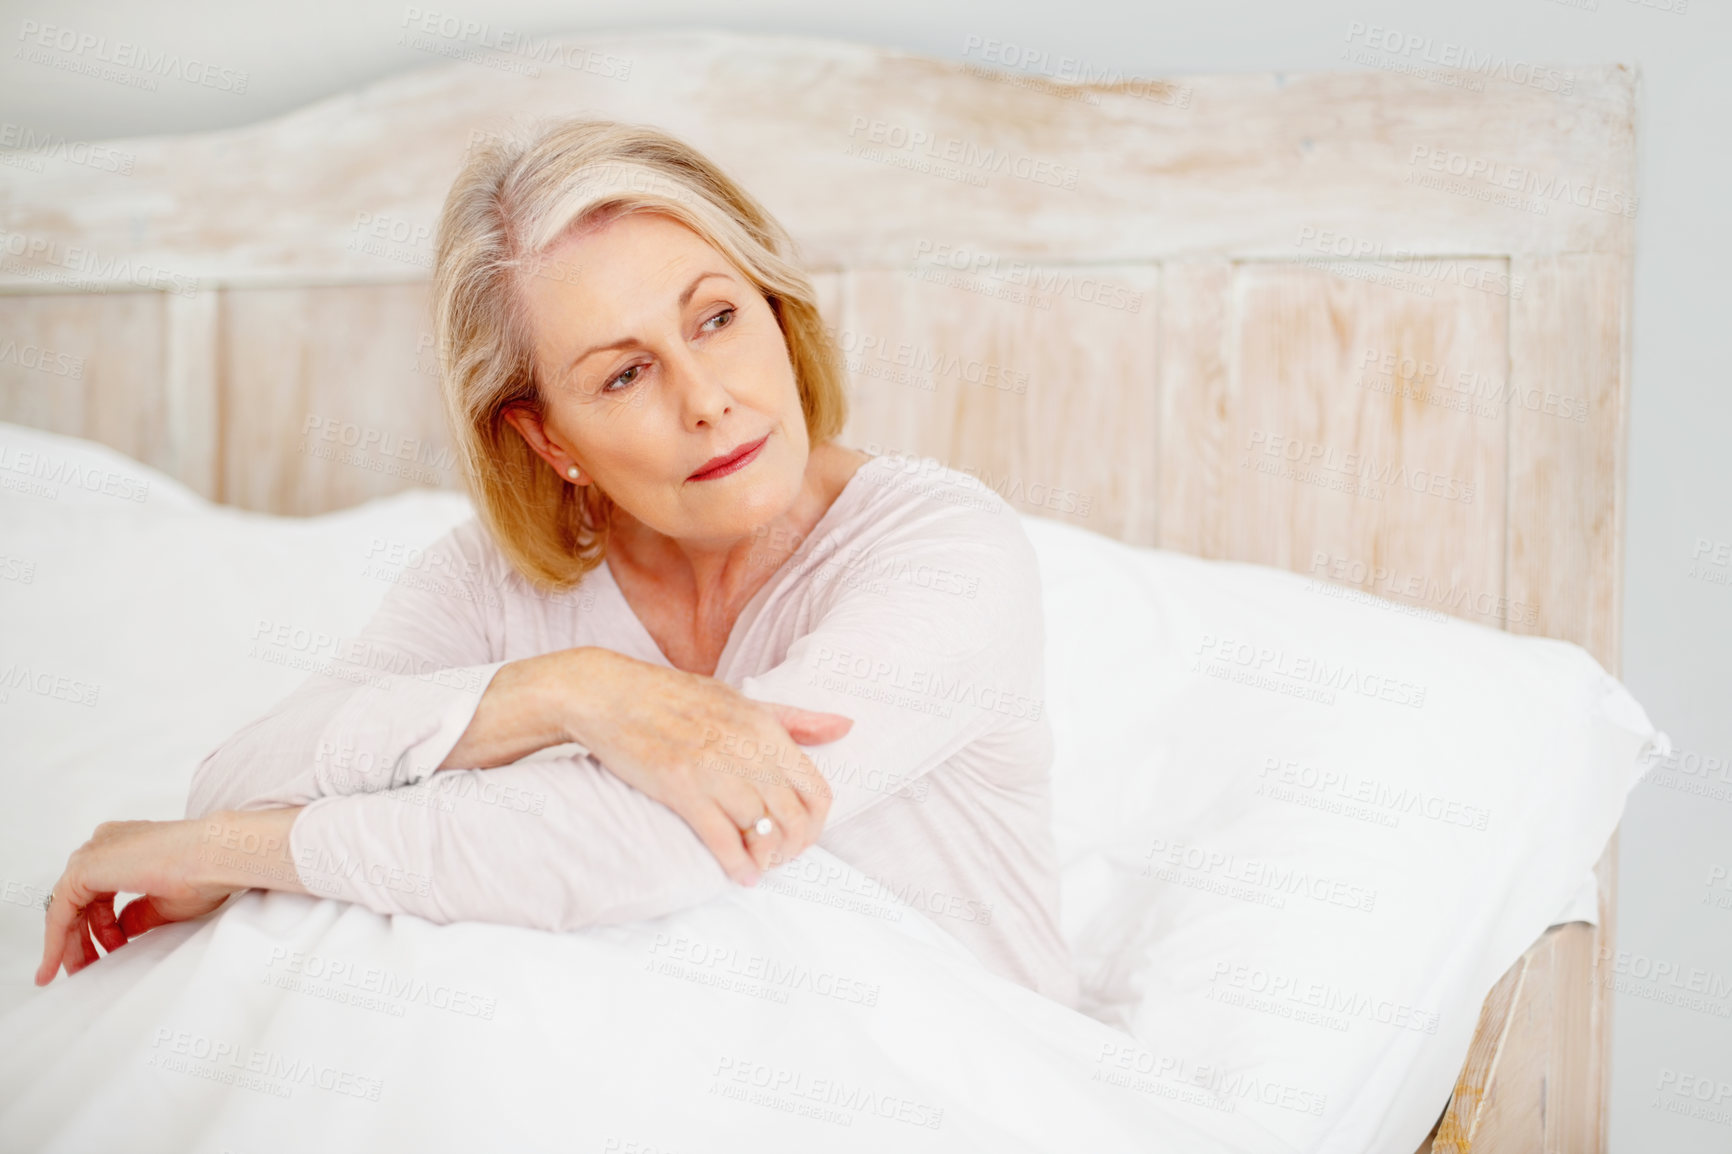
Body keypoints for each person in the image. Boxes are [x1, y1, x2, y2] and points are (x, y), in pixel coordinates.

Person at [34, 118, 1079, 1009]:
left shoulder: (943, 552)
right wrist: (561, 691)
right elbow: (239, 774)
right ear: (549, 440)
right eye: (625, 374)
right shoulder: (499, 582)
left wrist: (215, 853)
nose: (706, 396)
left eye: (716, 317)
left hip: (958, 1075)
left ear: (777, 308)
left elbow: (662, 841)